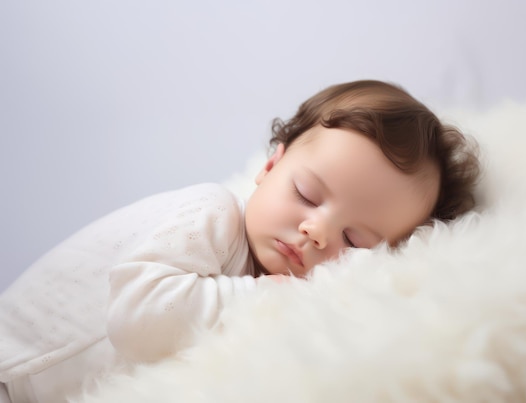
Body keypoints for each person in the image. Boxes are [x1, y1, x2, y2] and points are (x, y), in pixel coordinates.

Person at [0, 79, 480, 402]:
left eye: (354, 239)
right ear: (272, 164)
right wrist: (262, 296)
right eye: (307, 194)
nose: (318, 232)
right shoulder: (213, 213)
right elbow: (135, 315)